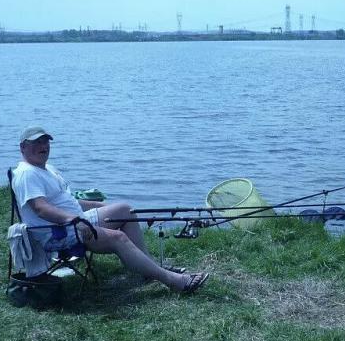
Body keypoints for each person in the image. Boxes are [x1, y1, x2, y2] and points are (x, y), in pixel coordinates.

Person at [12, 125, 208, 293]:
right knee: (118, 238)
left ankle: (150, 268)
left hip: (74, 221)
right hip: (58, 232)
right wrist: (75, 220)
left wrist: (99, 206)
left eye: (46, 142)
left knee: (125, 210)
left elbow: (69, 202)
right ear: (23, 147)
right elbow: (40, 208)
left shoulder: (48, 169)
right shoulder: (27, 174)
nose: (43, 147)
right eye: (36, 143)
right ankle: (174, 281)